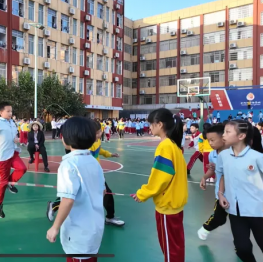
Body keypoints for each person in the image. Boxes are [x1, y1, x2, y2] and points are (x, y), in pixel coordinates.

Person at [217, 120, 263, 262]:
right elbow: (223, 175)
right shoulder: (223, 156)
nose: (223, 135)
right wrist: (220, 193)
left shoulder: (258, 157)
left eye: (227, 132)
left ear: (241, 136)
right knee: (242, 249)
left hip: (259, 211)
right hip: (235, 212)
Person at [46, 117, 105, 262]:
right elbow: (102, 191)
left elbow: (67, 200)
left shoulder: (69, 165)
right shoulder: (93, 161)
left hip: (78, 231)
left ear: (65, 139)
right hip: (95, 227)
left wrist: (55, 226)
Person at [131, 108, 187, 262]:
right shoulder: (174, 145)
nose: (149, 127)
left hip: (167, 206)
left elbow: (160, 178)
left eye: (151, 123)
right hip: (174, 203)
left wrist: (143, 193)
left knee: (170, 250)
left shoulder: (165, 146)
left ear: (160, 124)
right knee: (176, 246)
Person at [47, 121, 124, 227]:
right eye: (96, 133)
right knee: (73, 195)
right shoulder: (85, 146)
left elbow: (99, 150)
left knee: (107, 193)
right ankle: (55, 205)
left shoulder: (97, 142)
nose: (98, 135)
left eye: (99, 132)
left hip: (95, 173)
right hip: (86, 174)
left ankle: (110, 217)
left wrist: (110, 154)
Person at [0, 102, 27, 219]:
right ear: (1, 112)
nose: (10, 113)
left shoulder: (12, 123)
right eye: (7, 111)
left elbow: (13, 137)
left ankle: (10, 183)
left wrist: (16, 139)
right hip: (2, 157)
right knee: (2, 181)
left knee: (22, 168)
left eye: (11, 111)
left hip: (13, 152)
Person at [197, 124, 228, 241]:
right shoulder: (212, 154)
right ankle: (205, 228)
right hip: (220, 194)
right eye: (208, 140)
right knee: (220, 218)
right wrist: (204, 177)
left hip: (236, 194)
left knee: (239, 221)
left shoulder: (233, 152)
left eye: (212, 140)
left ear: (223, 137)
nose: (210, 143)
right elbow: (211, 170)